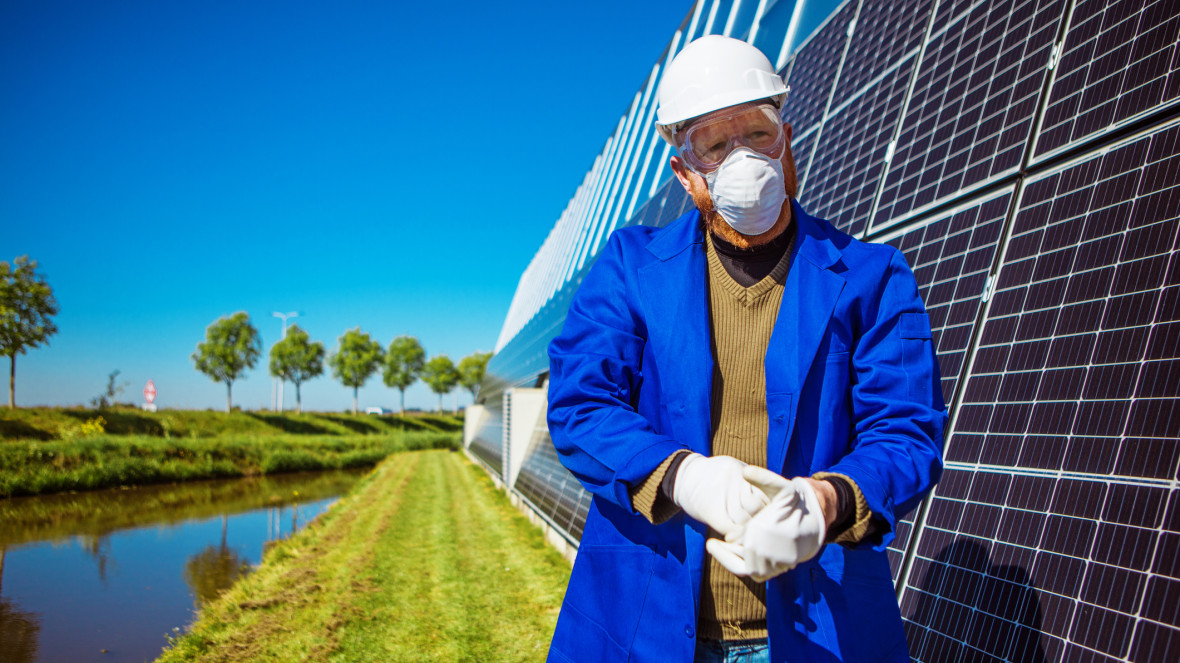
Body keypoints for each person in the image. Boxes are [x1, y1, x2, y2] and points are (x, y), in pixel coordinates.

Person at [545, 35, 946, 663]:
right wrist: (681, 475)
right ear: (685, 171)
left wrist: (825, 503)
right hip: (644, 623)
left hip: (822, 629)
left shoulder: (872, 276)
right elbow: (580, 407)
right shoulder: (630, 267)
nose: (744, 161)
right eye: (714, 144)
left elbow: (906, 433)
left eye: (756, 133)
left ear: (785, 136)